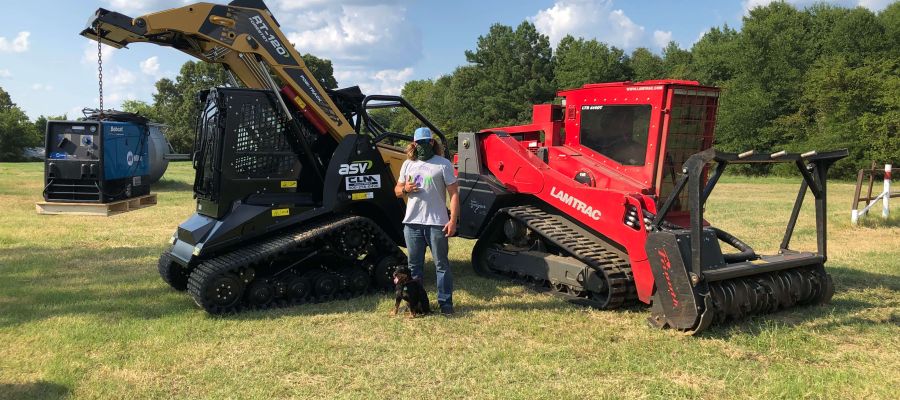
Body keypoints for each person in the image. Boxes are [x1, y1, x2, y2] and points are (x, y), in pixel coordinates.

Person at [394, 127, 460, 315]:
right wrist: (405, 188)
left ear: (432, 143)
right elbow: (397, 191)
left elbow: (454, 193)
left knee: (442, 265)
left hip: (437, 223)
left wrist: (452, 220)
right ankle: (416, 305)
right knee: (414, 268)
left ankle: (445, 304)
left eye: (427, 141)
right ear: (414, 144)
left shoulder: (443, 164)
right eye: (419, 142)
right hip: (412, 224)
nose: (423, 145)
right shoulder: (408, 164)